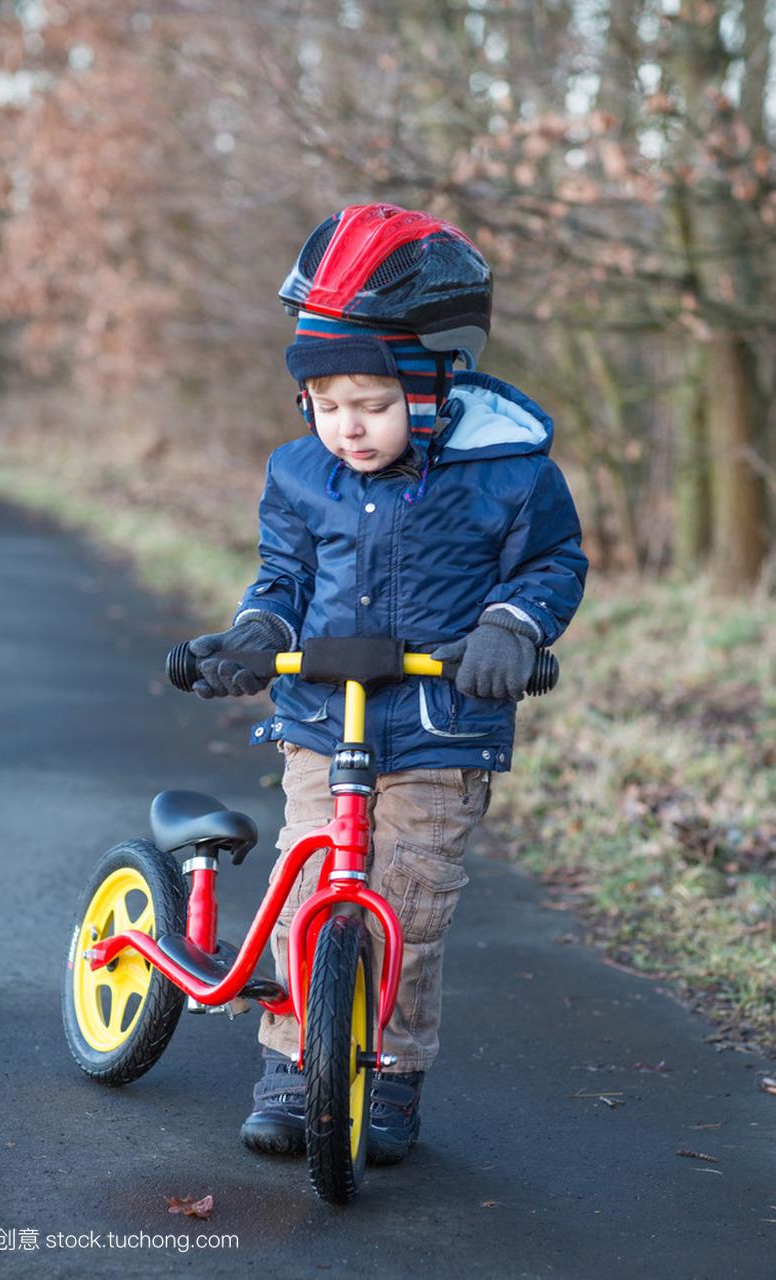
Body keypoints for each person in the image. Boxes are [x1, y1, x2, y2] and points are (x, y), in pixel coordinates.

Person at [188, 203, 588, 1165]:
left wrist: (508, 627)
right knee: (309, 882)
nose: (346, 429)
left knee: (405, 900)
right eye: (326, 407)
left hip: (440, 726)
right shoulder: (299, 475)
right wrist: (254, 637)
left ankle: (393, 1074)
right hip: (324, 719)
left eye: (369, 405)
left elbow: (551, 564)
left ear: (432, 384)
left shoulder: (508, 475)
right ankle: (294, 1066)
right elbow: (283, 581)